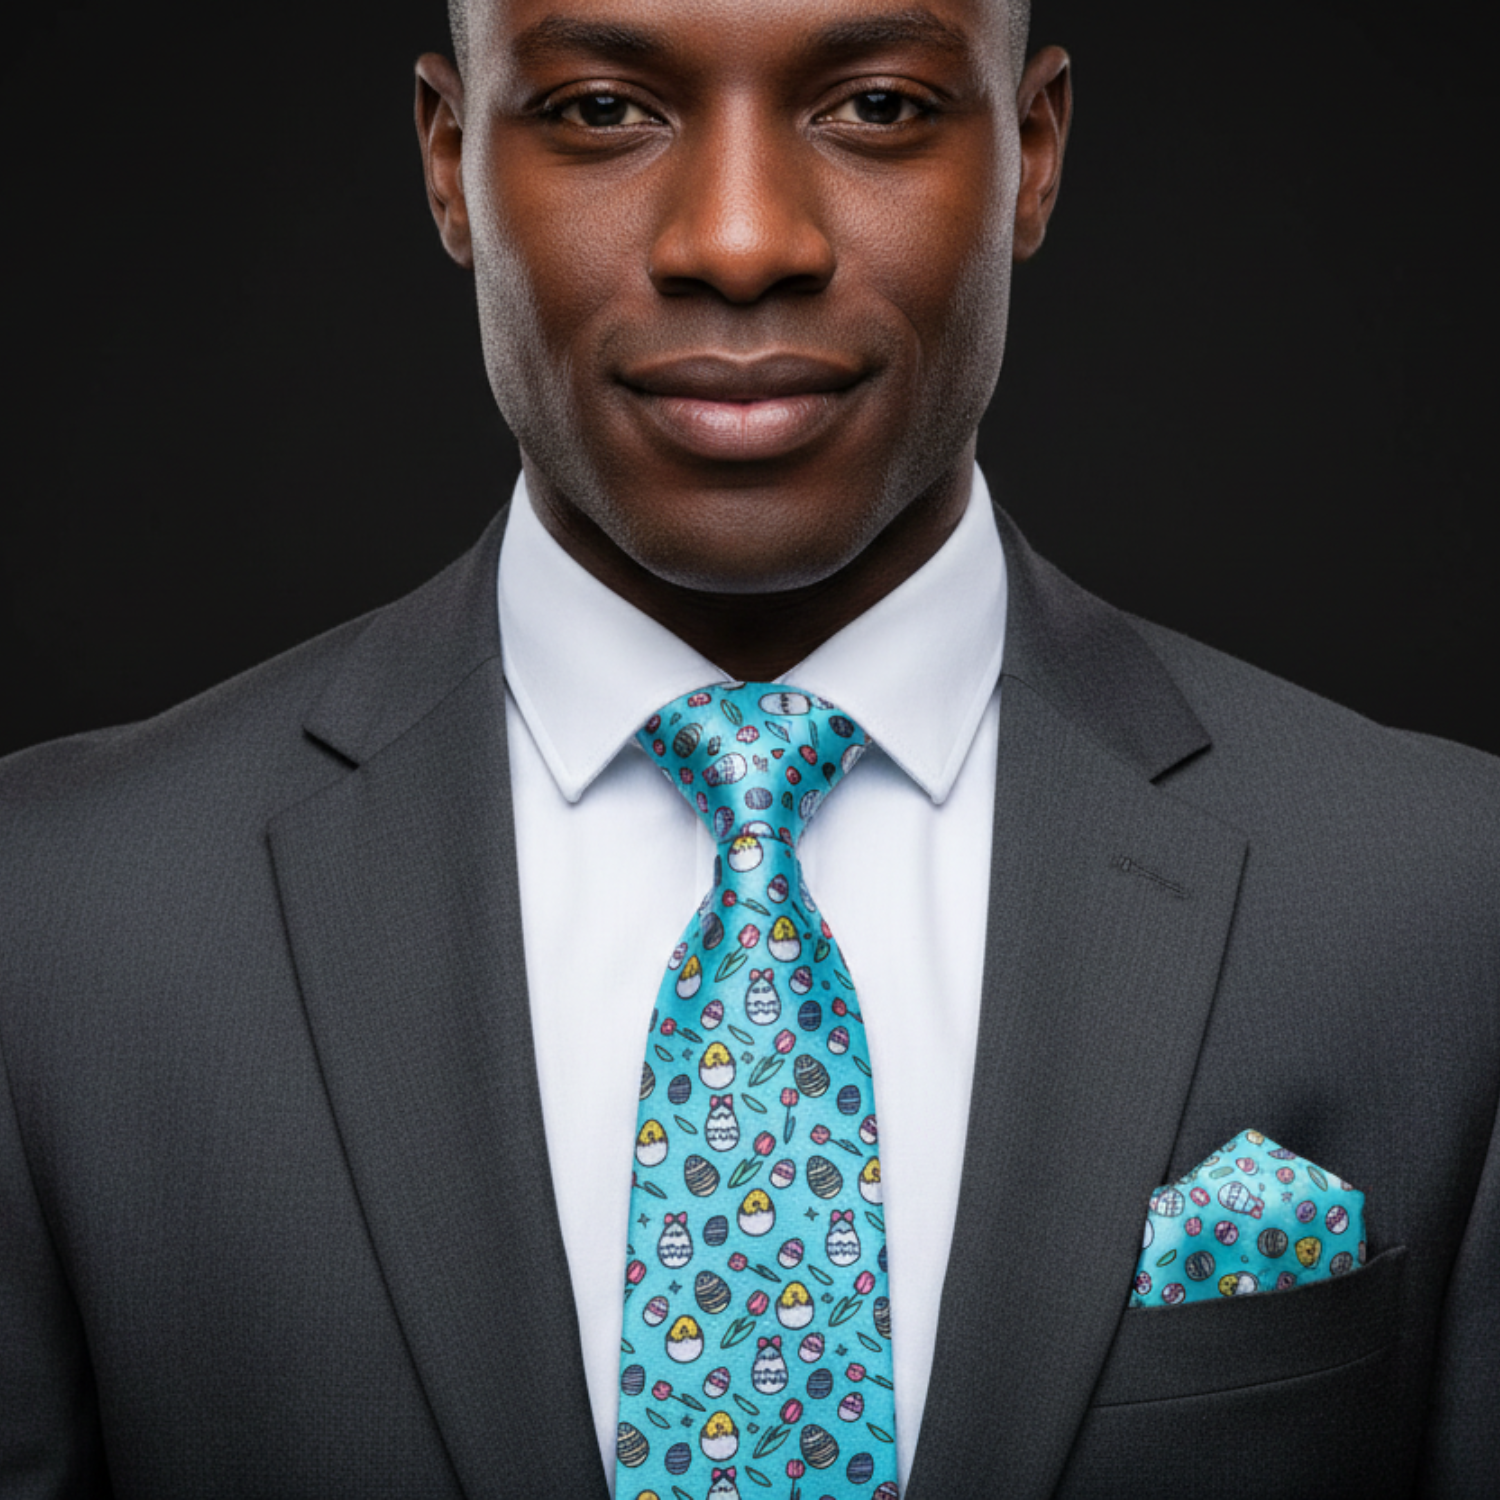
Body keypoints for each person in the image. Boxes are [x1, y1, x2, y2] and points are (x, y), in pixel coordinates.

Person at [1, 0, 1495, 1495]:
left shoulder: (1446, 906)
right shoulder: (56, 926)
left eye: (879, 108)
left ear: (1031, 155)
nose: (737, 238)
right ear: (452, 163)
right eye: (600, 109)